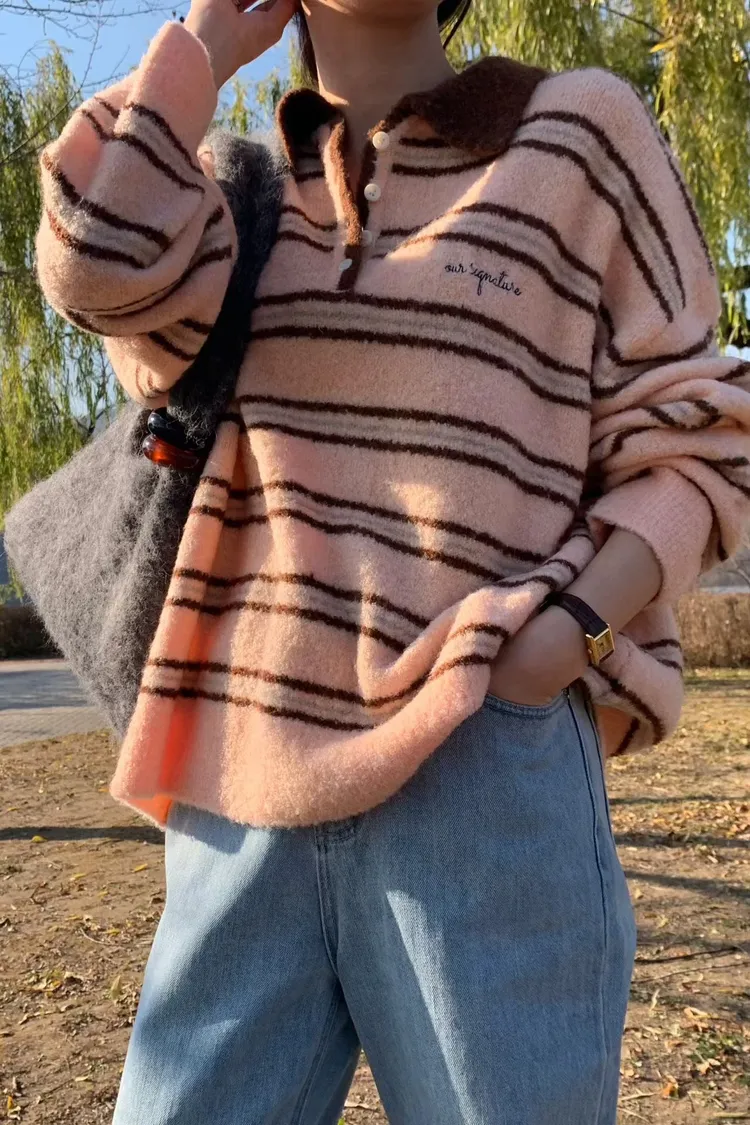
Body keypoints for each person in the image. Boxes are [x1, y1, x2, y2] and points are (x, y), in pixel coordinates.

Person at [34, 0, 750, 1121]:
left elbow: (701, 433)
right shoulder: (218, 195)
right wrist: (205, 47)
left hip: (484, 768)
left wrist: (567, 634)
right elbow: (91, 262)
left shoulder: (579, 131)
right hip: (242, 783)